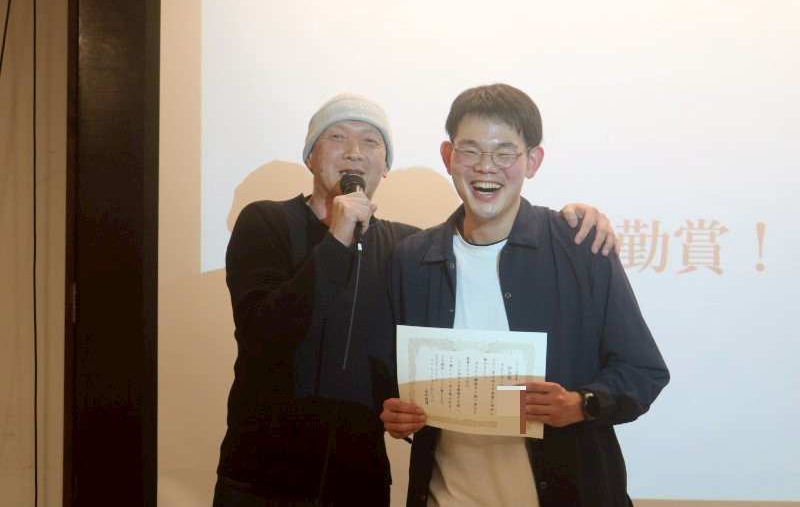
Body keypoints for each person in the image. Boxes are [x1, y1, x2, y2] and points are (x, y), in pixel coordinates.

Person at [214, 92, 620, 506]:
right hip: (261, 478)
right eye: (337, 137)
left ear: (385, 165)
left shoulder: (404, 247)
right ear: (310, 157)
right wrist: (336, 238)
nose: (354, 152)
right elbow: (265, 334)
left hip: (359, 481)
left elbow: (409, 359)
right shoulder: (266, 221)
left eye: (371, 142)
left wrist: (579, 219)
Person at [381, 84, 669, 507]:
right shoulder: (412, 259)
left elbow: (643, 370)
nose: (486, 167)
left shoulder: (579, 246)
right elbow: (392, 379)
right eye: (470, 151)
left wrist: (581, 404)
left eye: (505, 153)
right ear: (448, 157)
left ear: (532, 161)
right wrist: (394, 412)